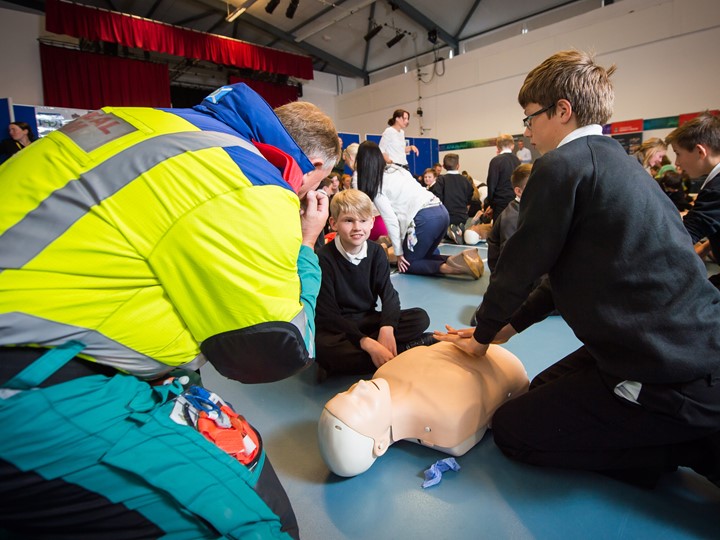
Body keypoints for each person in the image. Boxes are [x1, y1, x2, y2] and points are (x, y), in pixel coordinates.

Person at [0, 83, 342, 539]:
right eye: (317, 184)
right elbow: (281, 349)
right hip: (40, 380)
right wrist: (305, 244)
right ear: (313, 167)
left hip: (47, 344)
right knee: (256, 523)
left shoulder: (149, 120)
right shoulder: (250, 178)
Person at [435, 50, 720, 490]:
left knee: (513, 431)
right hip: (680, 342)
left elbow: (518, 267)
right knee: (539, 389)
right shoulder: (621, 165)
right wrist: (507, 327)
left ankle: (684, 443)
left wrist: (484, 332)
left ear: (562, 111)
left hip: (668, 367)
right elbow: (559, 271)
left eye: (529, 118)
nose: (527, 132)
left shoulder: (561, 166)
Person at [317, 341, 529, 477]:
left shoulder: (383, 372)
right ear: (379, 445)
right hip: (504, 362)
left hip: (478, 343)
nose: (359, 387)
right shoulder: (447, 418)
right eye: (361, 403)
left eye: (346, 392)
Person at [315, 189, 433, 377]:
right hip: (338, 328)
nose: (357, 227)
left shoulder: (377, 252)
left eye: (363, 220)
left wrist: (387, 328)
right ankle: (405, 349)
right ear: (333, 223)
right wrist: (366, 343)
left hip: (367, 319)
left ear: (371, 222)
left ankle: (361, 360)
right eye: (348, 220)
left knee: (420, 317)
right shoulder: (323, 258)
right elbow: (328, 314)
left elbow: (389, 294)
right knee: (323, 350)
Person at [355, 141, 483, 279]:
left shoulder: (377, 185)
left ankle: (454, 268)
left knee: (407, 264)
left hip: (425, 218)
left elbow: (391, 220)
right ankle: (460, 259)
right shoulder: (398, 170)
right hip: (441, 211)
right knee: (426, 255)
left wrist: (399, 253)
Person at [666, 112, 720, 286]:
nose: (677, 163)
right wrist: (705, 247)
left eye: (678, 153)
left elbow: (684, 235)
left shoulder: (716, 189)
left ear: (700, 151)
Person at [486, 164, 532, 271]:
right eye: (533, 185)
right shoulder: (512, 217)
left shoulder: (529, 208)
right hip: (509, 276)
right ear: (519, 191)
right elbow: (510, 259)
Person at [431, 153, 474, 230]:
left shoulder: (441, 180)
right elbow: (470, 195)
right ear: (458, 165)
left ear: (443, 166)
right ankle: (457, 232)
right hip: (462, 216)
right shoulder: (465, 180)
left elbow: (437, 197)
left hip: (446, 216)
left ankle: (450, 233)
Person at [484, 134, 520, 221]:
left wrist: (490, 204)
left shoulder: (496, 160)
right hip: (515, 200)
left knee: (499, 229)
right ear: (512, 145)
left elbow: (491, 184)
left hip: (500, 202)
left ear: (497, 146)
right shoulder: (517, 160)